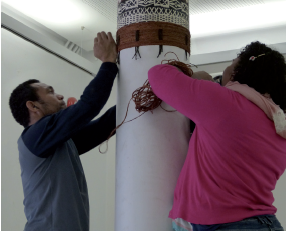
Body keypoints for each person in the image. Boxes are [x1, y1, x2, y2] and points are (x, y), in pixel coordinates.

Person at [148, 41, 286, 231]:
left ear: (239, 71)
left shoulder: (226, 103)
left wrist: (199, 77)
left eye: (232, 62)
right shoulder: (277, 126)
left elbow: (158, 75)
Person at [9, 32, 118, 231]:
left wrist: (141, 97)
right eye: (50, 92)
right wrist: (108, 61)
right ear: (33, 106)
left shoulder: (58, 141)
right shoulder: (35, 136)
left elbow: (103, 126)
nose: (59, 95)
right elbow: (88, 106)